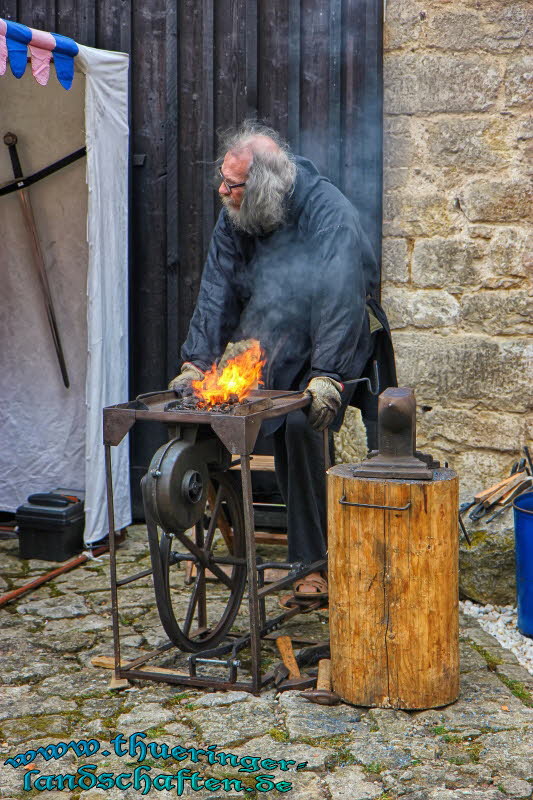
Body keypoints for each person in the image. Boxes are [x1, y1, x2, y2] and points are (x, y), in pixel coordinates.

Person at [169, 121, 395, 599]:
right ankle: (225, 537)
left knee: (299, 424)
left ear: (266, 185)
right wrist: (196, 361)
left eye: (234, 184)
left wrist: (327, 377)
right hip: (276, 334)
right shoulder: (237, 209)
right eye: (223, 179)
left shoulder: (327, 212)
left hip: (340, 335)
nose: (222, 190)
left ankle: (310, 563)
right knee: (216, 404)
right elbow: (217, 289)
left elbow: (339, 297)